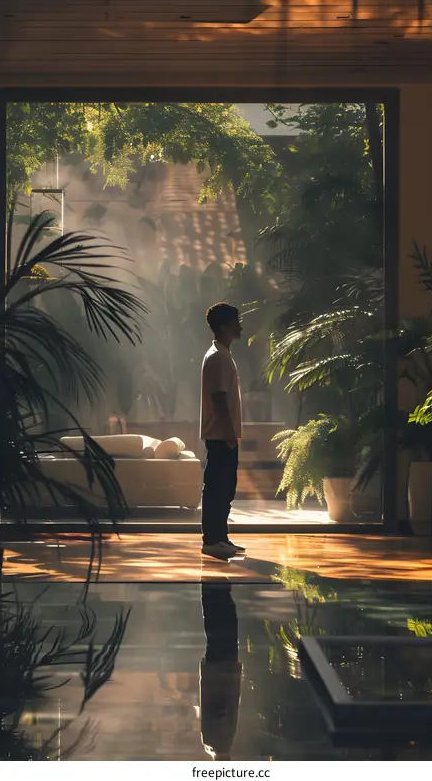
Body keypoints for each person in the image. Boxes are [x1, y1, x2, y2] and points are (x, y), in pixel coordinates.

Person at [200, 302, 246, 560]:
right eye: (235, 322)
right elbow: (219, 398)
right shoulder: (217, 357)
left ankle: (220, 537)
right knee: (218, 487)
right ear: (224, 326)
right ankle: (212, 540)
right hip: (220, 436)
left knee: (225, 488)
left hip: (223, 435)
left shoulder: (222, 354)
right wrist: (229, 433)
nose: (239, 326)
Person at [200, 582, 242, 760]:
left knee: (224, 628)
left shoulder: (219, 743)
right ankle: (212, 589)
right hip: (217, 672)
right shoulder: (211, 744)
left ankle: (216, 588)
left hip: (223, 672)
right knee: (217, 628)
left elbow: (221, 710)